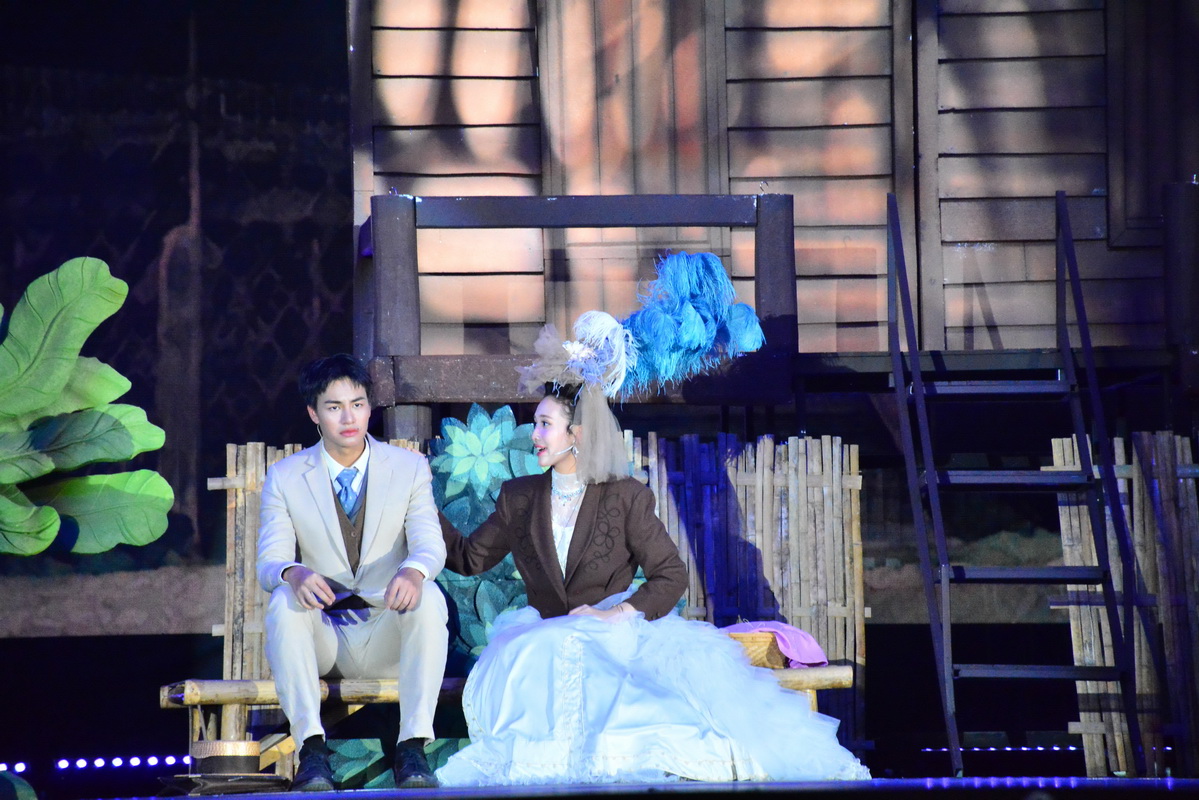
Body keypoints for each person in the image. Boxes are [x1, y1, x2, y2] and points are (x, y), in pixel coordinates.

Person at [434, 277, 870, 784]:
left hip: (612, 636)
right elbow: (469, 558)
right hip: (548, 636)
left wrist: (617, 613)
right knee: (534, 654)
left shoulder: (623, 497)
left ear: (578, 434)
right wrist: (420, 503)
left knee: (643, 712)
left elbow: (670, 575)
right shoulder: (520, 497)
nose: (535, 435)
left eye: (545, 424)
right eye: (537, 424)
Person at [256, 354, 448, 791]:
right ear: (314, 413)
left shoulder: (409, 468)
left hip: (386, 629)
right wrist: (293, 573)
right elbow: (270, 560)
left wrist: (414, 571)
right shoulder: (286, 477)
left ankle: (412, 747)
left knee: (429, 596)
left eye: (358, 405)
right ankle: (311, 750)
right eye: (335, 407)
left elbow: (429, 544)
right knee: (284, 600)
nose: (349, 418)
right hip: (327, 636)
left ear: (369, 408)